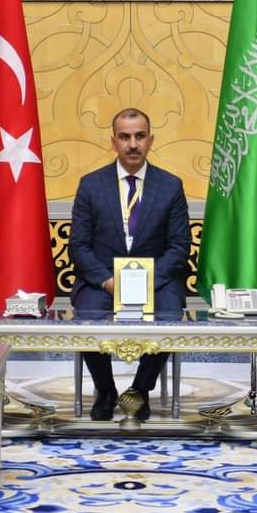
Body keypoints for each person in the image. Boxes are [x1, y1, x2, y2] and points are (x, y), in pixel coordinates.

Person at [70, 108, 191, 421]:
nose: (133, 144)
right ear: (113, 141)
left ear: (151, 140)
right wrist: (108, 281)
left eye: (139, 136)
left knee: (169, 315)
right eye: (124, 137)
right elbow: (79, 246)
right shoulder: (90, 185)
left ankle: (139, 389)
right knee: (86, 315)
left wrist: (147, 282)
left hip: (156, 281)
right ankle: (106, 389)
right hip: (103, 281)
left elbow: (179, 246)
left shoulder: (171, 186)